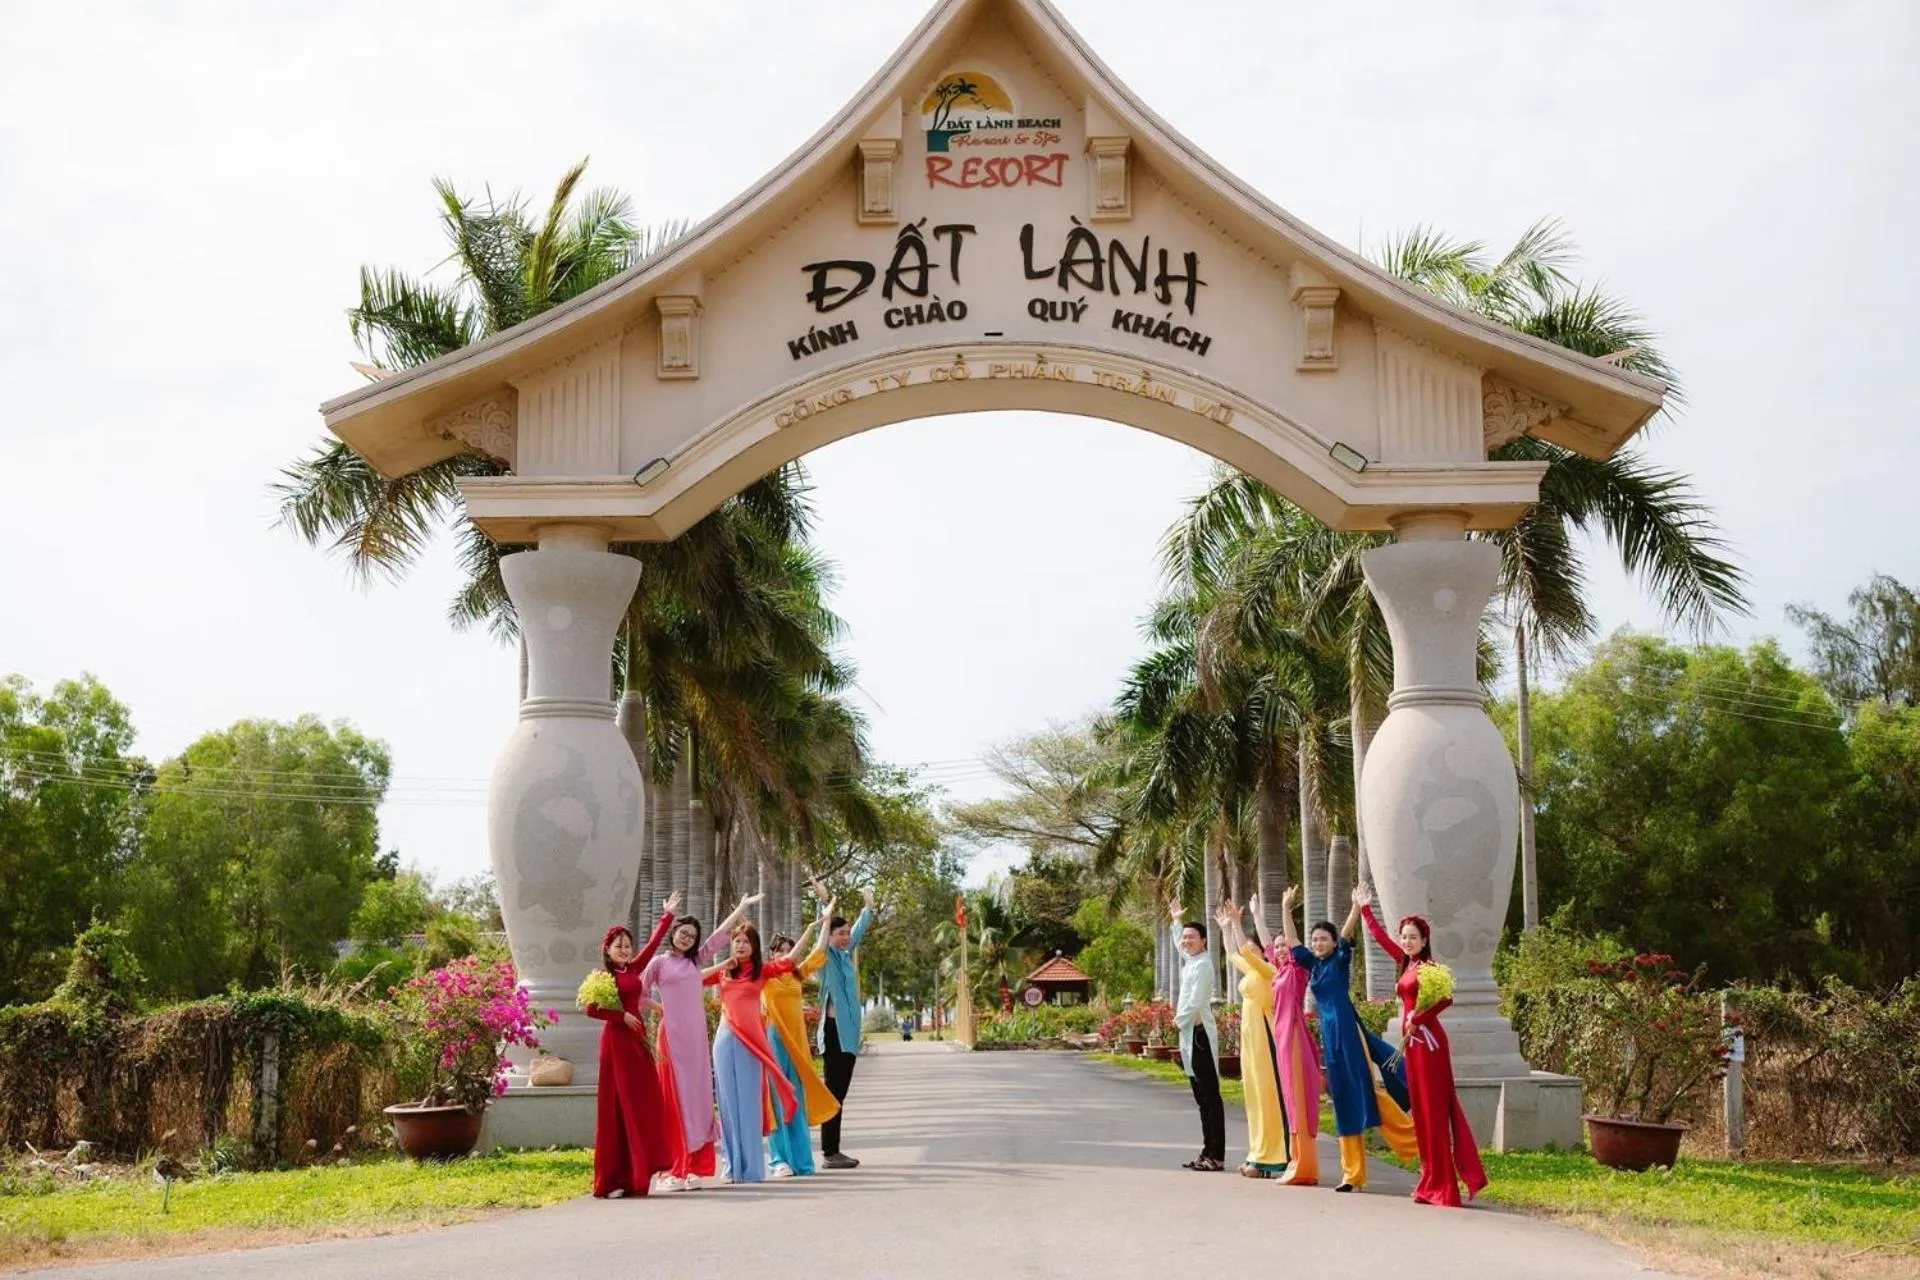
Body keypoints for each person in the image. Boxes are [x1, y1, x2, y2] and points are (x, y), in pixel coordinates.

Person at [1358, 884, 1488, 1207]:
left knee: (1434, 1112)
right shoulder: (1405, 964)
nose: (1406, 941)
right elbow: (1381, 939)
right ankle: (1428, 1180)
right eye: (1404, 937)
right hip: (1412, 1047)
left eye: (1412, 937)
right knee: (1422, 1115)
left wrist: (1421, 1015)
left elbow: (1446, 999)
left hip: (1429, 1046)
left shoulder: (1430, 969)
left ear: (1425, 940)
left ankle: (1444, 1185)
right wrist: (1365, 911)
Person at [1291, 885, 1418, 1191]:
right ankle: (1353, 1175)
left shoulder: (1338, 961)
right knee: (1343, 1102)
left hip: (1349, 1034)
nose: (1319, 943)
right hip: (1331, 1040)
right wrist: (1285, 909)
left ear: (1333, 943)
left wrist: (1355, 907)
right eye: (1315, 940)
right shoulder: (1313, 966)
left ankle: (1420, 1140)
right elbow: (1294, 943)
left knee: (1368, 1094)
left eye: (1324, 939)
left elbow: (1347, 934)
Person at [641, 891, 763, 1191]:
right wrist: (661, 1010)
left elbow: (721, 934)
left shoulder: (696, 962)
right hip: (671, 1039)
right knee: (675, 1100)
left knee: (698, 1101)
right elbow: (639, 994)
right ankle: (673, 1170)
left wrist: (742, 908)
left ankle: (693, 1167)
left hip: (697, 1040)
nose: (686, 938)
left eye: (692, 936)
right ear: (674, 934)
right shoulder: (658, 963)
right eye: (683, 933)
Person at [585, 890, 682, 1199]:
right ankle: (614, 1178)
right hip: (616, 1045)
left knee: (643, 1104)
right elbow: (589, 1008)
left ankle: (638, 1175)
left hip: (637, 1044)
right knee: (618, 1106)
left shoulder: (634, 969)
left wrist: (667, 916)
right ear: (608, 950)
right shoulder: (603, 977)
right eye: (619, 946)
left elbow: (653, 945)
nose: (625, 950)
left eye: (627, 945)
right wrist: (620, 1016)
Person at [702, 921, 800, 1185]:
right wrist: (722, 965)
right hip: (724, 1038)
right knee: (727, 1104)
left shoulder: (760, 971)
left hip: (751, 1042)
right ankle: (730, 1167)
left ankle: (751, 1168)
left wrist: (818, 925)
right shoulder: (724, 973)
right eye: (737, 941)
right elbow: (696, 977)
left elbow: (789, 961)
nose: (741, 945)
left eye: (746, 941)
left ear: (754, 946)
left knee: (748, 1103)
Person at [1251, 886, 1322, 1186]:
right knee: (1289, 1100)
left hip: (1294, 1037)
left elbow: (1292, 941)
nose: (1279, 950)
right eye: (1277, 948)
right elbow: (1266, 943)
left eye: (1284, 947)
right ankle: (1296, 1162)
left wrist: (1285, 909)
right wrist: (1256, 914)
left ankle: (1304, 1165)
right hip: (1280, 1038)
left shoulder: (1298, 969)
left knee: (1298, 1099)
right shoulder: (1278, 972)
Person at [762, 904, 838, 1178]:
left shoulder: (797, 975)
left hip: (798, 1043)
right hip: (774, 1039)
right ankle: (778, 1160)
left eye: (788, 950)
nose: (784, 955)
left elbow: (818, 952)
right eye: (779, 951)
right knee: (777, 1099)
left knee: (797, 1098)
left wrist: (826, 920)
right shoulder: (766, 977)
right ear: (772, 954)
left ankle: (801, 1160)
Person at [1216, 898, 1290, 1178]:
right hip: (1250, 1039)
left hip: (1265, 1037)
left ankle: (1277, 1157)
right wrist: (1226, 928)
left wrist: (1237, 923)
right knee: (1254, 1095)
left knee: (1269, 1095)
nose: (1252, 951)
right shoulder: (1252, 970)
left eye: (1258, 949)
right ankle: (1258, 1155)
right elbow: (1233, 953)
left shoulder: (1270, 971)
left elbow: (1244, 952)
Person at [809, 880, 875, 1169]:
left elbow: (860, 930)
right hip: (833, 1033)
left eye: (848, 933)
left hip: (849, 1037)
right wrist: (823, 904)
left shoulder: (847, 957)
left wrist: (868, 908)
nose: (846, 937)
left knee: (841, 1093)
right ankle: (829, 1152)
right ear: (830, 934)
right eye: (840, 933)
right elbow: (820, 938)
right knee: (833, 1092)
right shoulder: (825, 959)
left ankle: (832, 1150)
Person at [1169, 900, 1225, 1171]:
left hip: (1199, 1035)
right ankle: (1206, 1152)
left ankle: (1216, 1155)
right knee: (1201, 1098)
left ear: (1204, 941)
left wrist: (1178, 1022)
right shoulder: (1191, 962)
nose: (1186, 941)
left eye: (1192, 937)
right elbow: (1177, 944)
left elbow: (1195, 1001)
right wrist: (1177, 921)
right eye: (1185, 938)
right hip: (1189, 1033)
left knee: (1211, 1097)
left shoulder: (1203, 966)